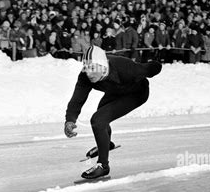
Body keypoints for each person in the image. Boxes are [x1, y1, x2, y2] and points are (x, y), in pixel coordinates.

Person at [64, 45, 162, 180]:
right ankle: (106, 144)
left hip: (136, 94)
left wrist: (155, 64)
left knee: (98, 120)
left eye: (93, 68)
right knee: (101, 116)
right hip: (115, 91)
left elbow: (149, 69)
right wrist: (70, 120)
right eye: (86, 68)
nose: (89, 73)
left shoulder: (125, 68)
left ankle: (103, 166)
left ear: (103, 66)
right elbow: (77, 99)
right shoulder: (85, 76)